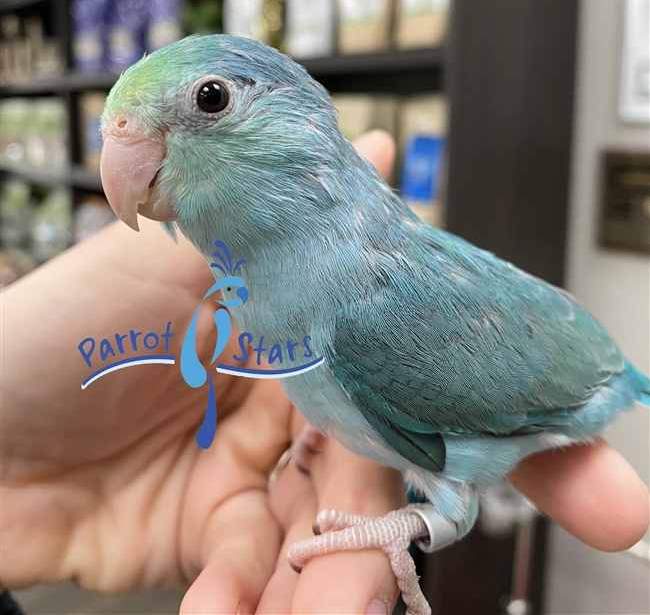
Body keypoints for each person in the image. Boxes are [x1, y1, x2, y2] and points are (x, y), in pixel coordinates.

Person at [1, 131, 648, 615]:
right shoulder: (250, 279)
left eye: (210, 102)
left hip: (566, 372)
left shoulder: (371, 316)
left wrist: (399, 526)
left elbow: (457, 497)